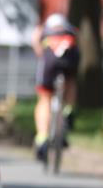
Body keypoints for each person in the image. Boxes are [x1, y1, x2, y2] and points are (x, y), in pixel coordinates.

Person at [31, 12, 79, 162]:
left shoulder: (44, 30)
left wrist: (41, 54)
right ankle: (68, 111)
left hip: (49, 64)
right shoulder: (70, 30)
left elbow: (36, 43)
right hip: (69, 63)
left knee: (44, 99)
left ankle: (42, 137)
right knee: (70, 82)